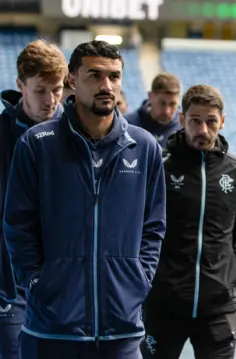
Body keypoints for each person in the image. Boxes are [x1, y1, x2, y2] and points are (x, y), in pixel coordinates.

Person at [2, 40, 166, 358]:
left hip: (122, 331)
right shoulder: (36, 145)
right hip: (51, 328)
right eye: (95, 76)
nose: (107, 85)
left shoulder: (144, 147)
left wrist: (139, 280)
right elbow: (17, 225)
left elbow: (154, 226)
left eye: (114, 76)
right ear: (72, 81)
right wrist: (37, 283)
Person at [140, 85, 236, 359]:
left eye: (211, 121)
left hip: (217, 307)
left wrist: (233, 272)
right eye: (195, 121)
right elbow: (138, 228)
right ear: (181, 120)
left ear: (222, 122)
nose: (203, 129)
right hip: (163, 305)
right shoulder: (160, 167)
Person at [0, 39, 67, 359]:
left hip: (63, 284)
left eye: (56, 89)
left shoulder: (78, 134)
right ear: (20, 85)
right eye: (41, 90)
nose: (51, 100)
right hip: (8, 286)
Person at [125, 72, 181, 148]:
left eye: (172, 104)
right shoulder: (127, 125)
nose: (167, 111)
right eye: (162, 103)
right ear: (150, 96)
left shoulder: (186, 127)